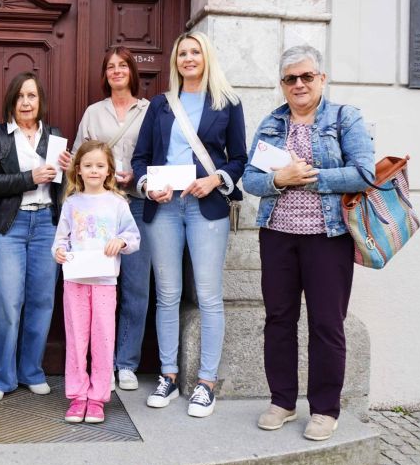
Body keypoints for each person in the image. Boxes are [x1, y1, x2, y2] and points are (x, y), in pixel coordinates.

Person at [241, 45, 375, 441]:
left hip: (327, 239)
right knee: (278, 320)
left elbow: (365, 173)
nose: (299, 84)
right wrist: (278, 180)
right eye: (290, 79)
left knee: (326, 323)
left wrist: (310, 176)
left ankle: (324, 410)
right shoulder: (272, 123)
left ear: (321, 78)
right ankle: (282, 401)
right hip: (277, 236)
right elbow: (250, 179)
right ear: (282, 84)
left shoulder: (344, 118)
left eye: (306, 76)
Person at [131, 31, 246, 417]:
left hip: (206, 207)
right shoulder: (161, 105)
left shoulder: (227, 102)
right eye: (182, 53)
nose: (189, 58)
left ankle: (206, 383)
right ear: (175, 61)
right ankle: (168, 375)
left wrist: (215, 180)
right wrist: (148, 186)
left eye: (195, 52)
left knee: (209, 296)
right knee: (167, 294)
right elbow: (140, 158)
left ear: (206, 57)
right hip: (165, 208)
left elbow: (239, 158)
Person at [0, 71, 64, 402]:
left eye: (32, 96)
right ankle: (0, 376)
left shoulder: (54, 136)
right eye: (20, 96)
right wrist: (30, 177)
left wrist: (70, 169)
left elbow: (63, 185)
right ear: (11, 101)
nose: (26, 102)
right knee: (5, 301)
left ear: (40, 100)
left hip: (46, 224)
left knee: (42, 300)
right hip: (7, 227)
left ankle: (32, 370)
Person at [72, 46, 151, 391]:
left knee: (136, 287)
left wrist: (139, 176)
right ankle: (97, 364)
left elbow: (159, 154)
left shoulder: (149, 110)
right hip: (98, 208)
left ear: (132, 71)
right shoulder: (94, 112)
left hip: (136, 205)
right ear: (105, 74)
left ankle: (126, 363)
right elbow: (79, 154)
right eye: (110, 67)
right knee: (96, 284)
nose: (117, 71)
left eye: (123, 66)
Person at [53, 140, 140, 424]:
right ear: (78, 169)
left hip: (104, 282)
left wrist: (121, 241)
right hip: (75, 281)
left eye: (100, 166)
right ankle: (78, 395)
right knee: (77, 338)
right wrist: (59, 252)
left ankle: (98, 397)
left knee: (103, 338)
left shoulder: (117, 203)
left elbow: (133, 237)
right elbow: (60, 240)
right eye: (88, 165)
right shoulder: (71, 203)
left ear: (109, 171)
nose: (94, 170)